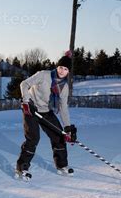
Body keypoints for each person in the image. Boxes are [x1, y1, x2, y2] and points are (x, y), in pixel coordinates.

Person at [15, 51, 77, 181]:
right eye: (60, 67)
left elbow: (63, 107)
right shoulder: (43, 75)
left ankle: (62, 166)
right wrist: (26, 101)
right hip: (31, 109)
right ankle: (22, 168)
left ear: (68, 72)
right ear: (57, 66)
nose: (62, 71)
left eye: (65, 69)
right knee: (33, 139)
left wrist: (67, 128)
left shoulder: (64, 87)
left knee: (59, 136)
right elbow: (24, 84)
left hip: (45, 111)